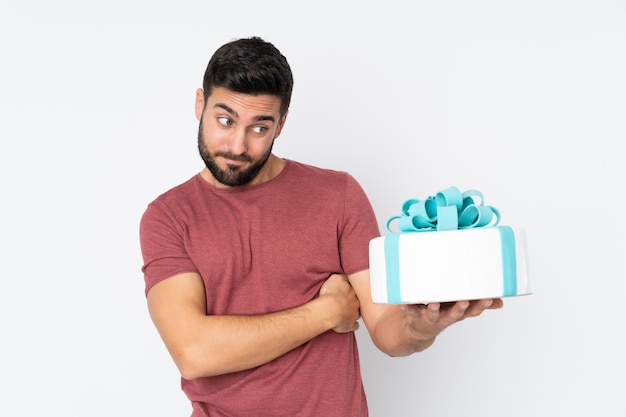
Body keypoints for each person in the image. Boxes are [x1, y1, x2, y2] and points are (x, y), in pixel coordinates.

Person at [139, 36, 503, 417]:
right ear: (200, 104)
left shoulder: (338, 194)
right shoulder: (168, 216)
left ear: (280, 124)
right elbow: (194, 352)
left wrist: (422, 326)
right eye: (225, 120)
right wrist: (326, 312)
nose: (237, 144)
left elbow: (387, 330)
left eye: (259, 128)